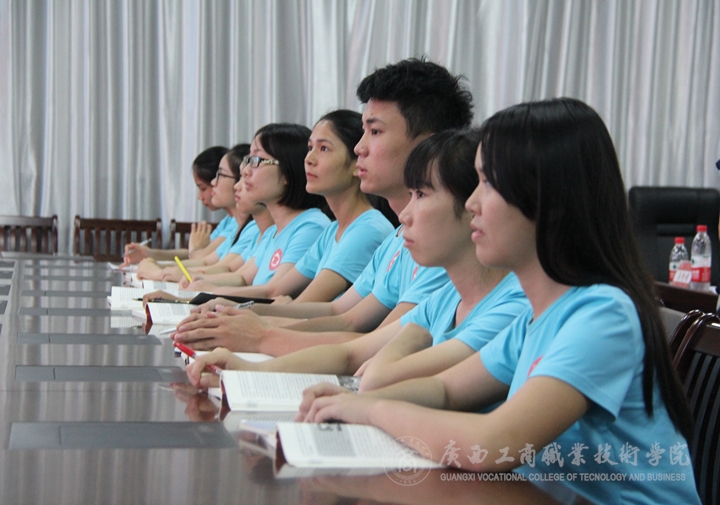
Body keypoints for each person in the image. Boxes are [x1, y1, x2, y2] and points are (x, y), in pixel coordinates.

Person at [292, 98, 700, 504]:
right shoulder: (538, 316)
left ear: (546, 197)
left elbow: (494, 442)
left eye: (488, 183)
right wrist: (353, 402)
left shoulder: (603, 314)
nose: (472, 204)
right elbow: (445, 390)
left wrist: (371, 411)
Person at [186, 130, 528, 399]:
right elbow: (351, 352)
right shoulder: (445, 297)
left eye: (421, 195)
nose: (405, 215)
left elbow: (376, 365)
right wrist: (250, 367)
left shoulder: (512, 304)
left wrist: (260, 333)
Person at [173, 58, 473, 354]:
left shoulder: (431, 241)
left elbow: (368, 344)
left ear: (428, 145)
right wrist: (240, 314)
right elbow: (343, 315)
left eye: (375, 132)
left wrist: (259, 333)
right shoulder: (393, 240)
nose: (360, 148)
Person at [183, 110, 394, 302]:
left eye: (323, 148)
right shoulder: (331, 231)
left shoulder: (349, 228)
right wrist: (210, 293)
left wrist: (215, 298)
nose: (309, 159)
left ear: (357, 163)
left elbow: (307, 305)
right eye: (310, 148)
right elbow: (265, 288)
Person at [136, 144, 255, 280]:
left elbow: (217, 267)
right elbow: (208, 263)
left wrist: (160, 271)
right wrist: (156, 263)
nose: (214, 183)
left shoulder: (252, 228)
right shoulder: (235, 223)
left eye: (220, 176)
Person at [121, 146, 229, 265]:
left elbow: (200, 259)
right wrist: (150, 254)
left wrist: (159, 268)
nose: (200, 197)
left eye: (203, 188)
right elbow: (193, 254)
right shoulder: (228, 221)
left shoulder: (239, 225)